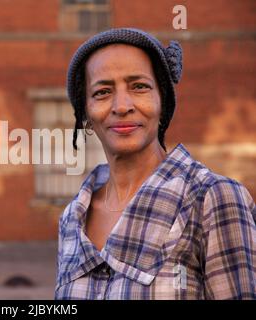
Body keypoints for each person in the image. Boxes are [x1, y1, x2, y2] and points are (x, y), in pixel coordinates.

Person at [55, 28, 255, 300]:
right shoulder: (72, 218)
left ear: (163, 101)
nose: (122, 106)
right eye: (102, 92)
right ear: (85, 114)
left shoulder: (212, 198)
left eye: (139, 87)